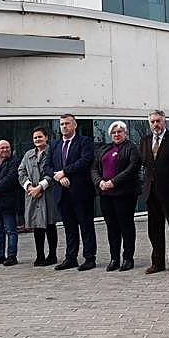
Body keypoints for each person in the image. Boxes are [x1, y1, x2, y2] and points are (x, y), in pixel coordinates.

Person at [44, 114, 98, 271]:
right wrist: (59, 176)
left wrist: (65, 172)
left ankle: (89, 258)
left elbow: (85, 161)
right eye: (61, 124)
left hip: (81, 191)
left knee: (86, 226)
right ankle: (71, 257)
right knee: (69, 227)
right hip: (62, 192)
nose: (64, 126)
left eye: (67, 123)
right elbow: (47, 166)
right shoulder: (55, 145)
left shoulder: (84, 142)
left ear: (75, 125)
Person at [139, 110, 169, 274]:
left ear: (164, 121)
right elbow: (145, 164)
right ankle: (157, 262)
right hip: (151, 192)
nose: (156, 124)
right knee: (154, 229)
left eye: (158, 121)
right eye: (152, 122)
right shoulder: (145, 140)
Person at [92, 121, 141, 271]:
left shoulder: (131, 148)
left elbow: (132, 168)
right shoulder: (104, 149)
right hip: (106, 194)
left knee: (126, 226)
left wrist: (113, 182)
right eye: (113, 132)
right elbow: (94, 168)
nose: (116, 134)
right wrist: (99, 182)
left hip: (124, 194)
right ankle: (114, 258)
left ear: (125, 133)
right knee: (111, 227)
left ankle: (128, 258)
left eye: (119, 132)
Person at [18, 127, 59, 265]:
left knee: (50, 224)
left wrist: (41, 186)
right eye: (35, 137)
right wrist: (29, 187)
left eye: (40, 137)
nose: (37, 139)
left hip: (48, 193)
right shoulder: (28, 154)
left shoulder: (53, 152)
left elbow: (54, 171)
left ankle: (52, 255)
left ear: (46, 137)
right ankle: (39, 255)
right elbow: (21, 171)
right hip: (32, 195)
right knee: (37, 226)